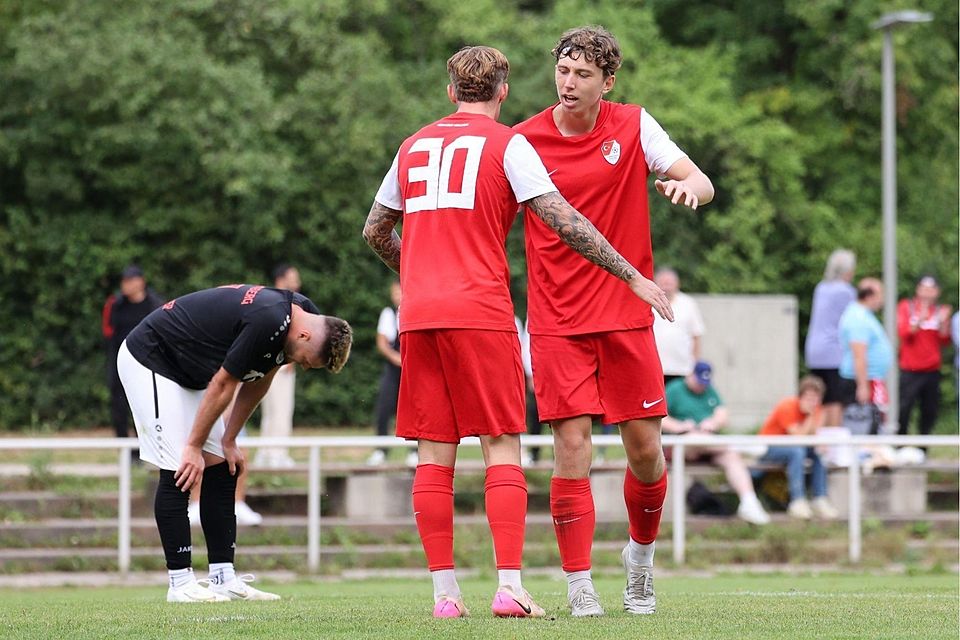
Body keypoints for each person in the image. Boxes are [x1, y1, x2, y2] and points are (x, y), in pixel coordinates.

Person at [363, 45, 670, 619]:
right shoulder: (509, 144)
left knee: (434, 454)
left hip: (420, 314)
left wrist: (419, 272)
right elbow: (565, 220)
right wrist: (631, 275)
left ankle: (446, 598)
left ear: (449, 91)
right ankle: (508, 586)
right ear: (503, 92)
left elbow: (376, 229)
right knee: (501, 443)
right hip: (480, 309)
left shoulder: (412, 146)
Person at [513, 25, 715, 616]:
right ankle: (579, 586)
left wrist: (689, 190)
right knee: (572, 448)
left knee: (645, 451)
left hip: (627, 316)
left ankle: (640, 561)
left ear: (608, 82)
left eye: (582, 74)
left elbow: (699, 177)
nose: (568, 83)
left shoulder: (634, 124)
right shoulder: (523, 140)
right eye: (563, 70)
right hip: (557, 320)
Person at [117, 284, 352, 603]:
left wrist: (229, 439)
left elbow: (262, 378)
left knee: (224, 465)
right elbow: (225, 383)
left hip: (188, 373)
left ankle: (222, 578)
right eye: (311, 362)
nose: (307, 367)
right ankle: (180, 582)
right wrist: (192, 446)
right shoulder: (269, 320)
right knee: (179, 466)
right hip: (151, 357)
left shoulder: (303, 314)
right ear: (306, 337)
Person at [661, 362, 770, 526]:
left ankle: (749, 502)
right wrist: (680, 427)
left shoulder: (709, 390)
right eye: (698, 382)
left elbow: (723, 415)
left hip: (710, 446)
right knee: (694, 439)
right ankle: (734, 444)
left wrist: (712, 423)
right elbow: (659, 418)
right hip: (679, 446)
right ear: (690, 375)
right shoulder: (674, 389)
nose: (701, 387)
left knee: (731, 458)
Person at [758, 376, 839, 519]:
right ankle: (798, 500)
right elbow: (798, 437)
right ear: (801, 396)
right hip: (770, 448)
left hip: (795, 449)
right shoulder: (787, 406)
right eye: (809, 398)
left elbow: (814, 437)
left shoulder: (818, 410)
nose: (812, 402)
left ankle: (819, 497)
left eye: (816, 398)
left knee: (817, 453)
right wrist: (810, 417)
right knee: (797, 452)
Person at [102, 265, 164, 448]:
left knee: (144, 407)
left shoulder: (155, 305)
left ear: (141, 282)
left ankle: (145, 447)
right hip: (119, 363)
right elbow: (107, 332)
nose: (125, 285)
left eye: (129, 280)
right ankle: (123, 448)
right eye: (124, 281)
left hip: (146, 364)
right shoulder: (115, 304)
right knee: (119, 406)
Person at [254, 264, 303, 469]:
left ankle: (266, 452)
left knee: (274, 410)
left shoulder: (273, 299)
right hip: (279, 363)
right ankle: (277, 454)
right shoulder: (285, 302)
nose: (297, 282)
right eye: (294, 277)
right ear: (281, 279)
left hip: (270, 363)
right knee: (280, 410)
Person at [805, 249, 857, 428]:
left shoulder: (821, 288)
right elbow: (852, 321)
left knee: (819, 399)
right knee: (835, 399)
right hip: (834, 352)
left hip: (814, 350)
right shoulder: (846, 291)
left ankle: (820, 440)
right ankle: (835, 440)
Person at [896, 275, 953, 438]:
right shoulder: (907, 307)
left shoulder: (940, 311)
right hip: (910, 369)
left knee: (929, 410)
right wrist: (919, 320)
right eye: (924, 288)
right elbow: (904, 334)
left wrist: (943, 324)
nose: (927, 293)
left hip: (932, 370)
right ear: (918, 290)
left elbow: (945, 341)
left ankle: (923, 446)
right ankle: (900, 443)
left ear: (937, 292)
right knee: (904, 408)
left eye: (931, 289)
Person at [838, 278, 893, 435]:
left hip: (869, 378)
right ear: (869, 296)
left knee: (875, 422)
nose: (882, 299)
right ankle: (865, 456)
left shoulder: (863, 315)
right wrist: (862, 386)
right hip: (863, 380)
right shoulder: (858, 318)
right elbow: (859, 354)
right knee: (866, 424)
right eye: (880, 294)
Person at [366, 279, 406, 466]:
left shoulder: (413, 311)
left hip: (412, 370)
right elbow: (382, 342)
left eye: (400, 291)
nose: (396, 295)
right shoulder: (388, 313)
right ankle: (381, 450)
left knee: (415, 410)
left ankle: (415, 451)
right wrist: (396, 358)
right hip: (394, 369)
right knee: (384, 408)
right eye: (394, 292)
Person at [653, 266, 705, 386]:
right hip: (655, 367)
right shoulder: (648, 302)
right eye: (663, 282)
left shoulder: (688, 304)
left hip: (682, 368)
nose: (667, 286)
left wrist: (695, 365)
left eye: (670, 283)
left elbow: (696, 335)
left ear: (677, 284)